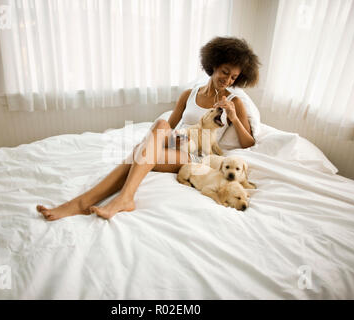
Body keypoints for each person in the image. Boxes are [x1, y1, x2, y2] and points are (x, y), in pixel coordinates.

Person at [36, 36, 261, 220]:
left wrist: (233, 116)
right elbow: (168, 128)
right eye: (224, 72)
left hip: (198, 156)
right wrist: (174, 139)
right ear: (213, 65)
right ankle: (112, 199)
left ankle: (91, 201)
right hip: (180, 144)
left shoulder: (235, 102)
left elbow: (248, 142)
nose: (228, 80)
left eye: (234, 77)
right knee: (158, 127)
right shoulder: (189, 94)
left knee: (139, 152)